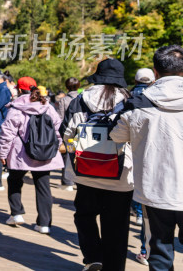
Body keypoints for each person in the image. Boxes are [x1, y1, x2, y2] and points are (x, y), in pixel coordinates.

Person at [112, 46, 183, 270]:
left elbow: (117, 135)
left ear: (156, 71)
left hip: (156, 189)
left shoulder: (138, 103)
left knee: (160, 251)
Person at [63, 58, 134, 271]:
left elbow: (67, 133)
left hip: (86, 171)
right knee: (117, 225)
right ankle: (114, 267)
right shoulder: (130, 101)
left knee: (84, 215)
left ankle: (93, 257)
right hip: (121, 175)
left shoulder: (81, 99)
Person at [0, 81, 63, 234]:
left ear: (19, 89)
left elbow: (8, 133)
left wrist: (2, 153)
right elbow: (58, 128)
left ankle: (17, 214)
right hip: (44, 154)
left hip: (21, 153)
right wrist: (55, 146)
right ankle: (44, 223)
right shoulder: (47, 106)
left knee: (14, 181)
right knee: (43, 187)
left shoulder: (16, 107)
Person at [128, 68, 155, 265]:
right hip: (163, 160)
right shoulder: (157, 97)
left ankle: (146, 252)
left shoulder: (128, 97)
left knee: (146, 209)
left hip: (134, 156)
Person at [57, 77, 81, 192]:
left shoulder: (64, 100)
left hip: (68, 132)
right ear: (78, 86)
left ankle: (67, 182)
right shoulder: (83, 97)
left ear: (66, 87)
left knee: (68, 155)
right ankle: (79, 181)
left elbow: (60, 118)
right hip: (81, 131)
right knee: (81, 155)